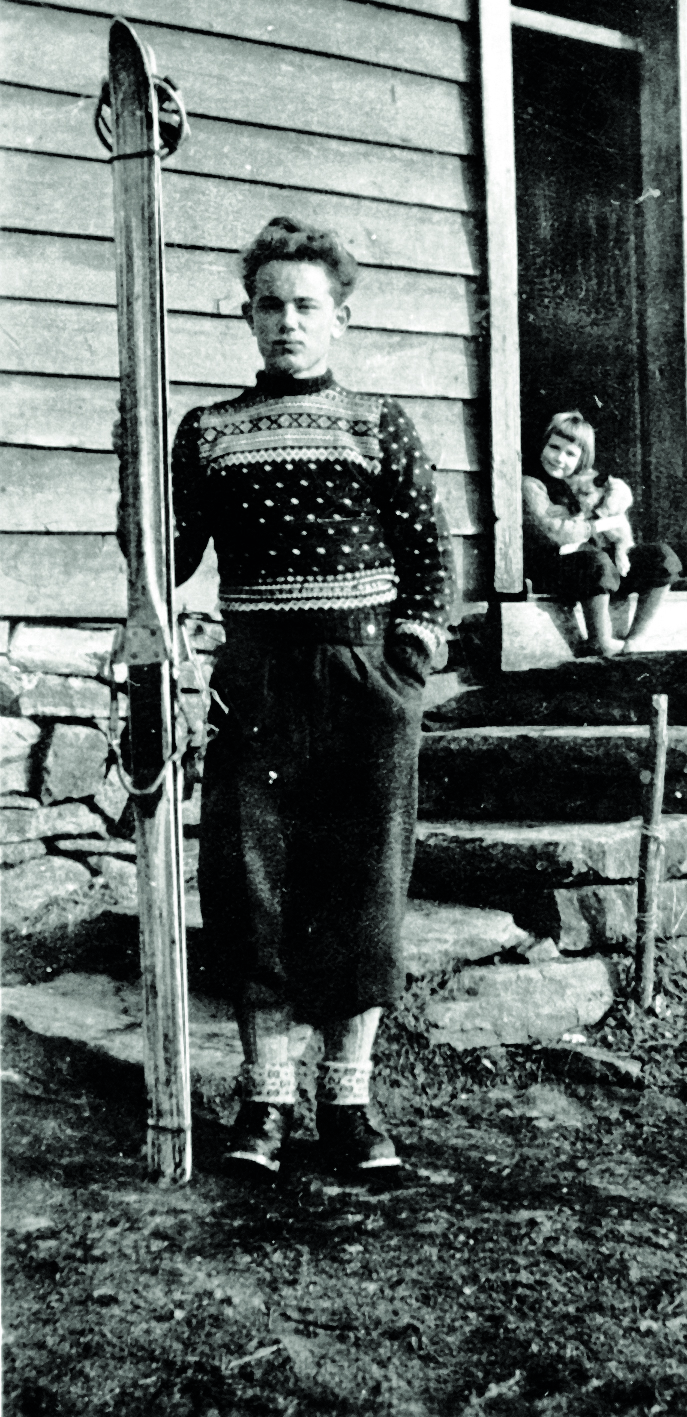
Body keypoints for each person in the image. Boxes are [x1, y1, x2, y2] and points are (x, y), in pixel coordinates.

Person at [169, 217, 454, 1176]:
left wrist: (403, 667)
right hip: (255, 679)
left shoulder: (377, 423)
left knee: (360, 884)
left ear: (339, 317)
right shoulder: (207, 432)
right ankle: (264, 1102)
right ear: (247, 317)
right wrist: (134, 495)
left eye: (305, 306)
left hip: (363, 679)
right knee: (251, 886)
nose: (286, 322)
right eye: (268, 305)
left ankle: (350, 1102)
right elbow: (169, 559)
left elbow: (428, 559)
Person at [522, 410, 680, 656]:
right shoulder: (532, 484)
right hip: (553, 566)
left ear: (582, 459)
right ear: (543, 444)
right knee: (596, 561)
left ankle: (636, 637)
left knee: (661, 556)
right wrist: (597, 525)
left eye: (570, 453)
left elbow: (620, 497)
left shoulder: (583, 481)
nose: (559, 458)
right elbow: (556, 532)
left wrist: (609, 507)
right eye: (554, 447)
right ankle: (600, 640)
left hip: (595, 568)